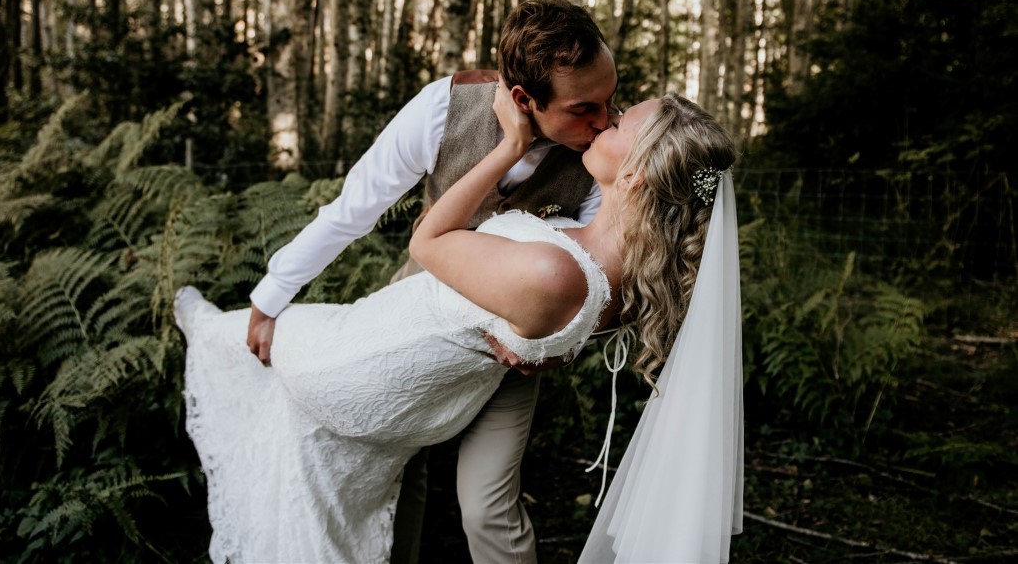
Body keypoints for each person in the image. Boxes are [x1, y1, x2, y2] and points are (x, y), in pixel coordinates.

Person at [176, 89, 744, 563]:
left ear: (639, 176)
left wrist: (511, 145)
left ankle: (196, 319)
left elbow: (427, 240)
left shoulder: (554, 271)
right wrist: (548, 343)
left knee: (223, 339)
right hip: (412, 378)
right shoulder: (623, 264)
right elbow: (573, 315)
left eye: (619, 123)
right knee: (318, 473)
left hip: (354, 363)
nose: (605, 122)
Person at [245, 0, 618, 564]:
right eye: (584, 108)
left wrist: (551, 352)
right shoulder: (442, 109)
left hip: (511, 356)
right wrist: (271, 297)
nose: (605, 122)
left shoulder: (602, 157)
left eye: (611, 99)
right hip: (419, 326)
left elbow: (600, 278)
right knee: (398, 479)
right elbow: (354, 209)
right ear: (524, 99)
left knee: (487, 505)